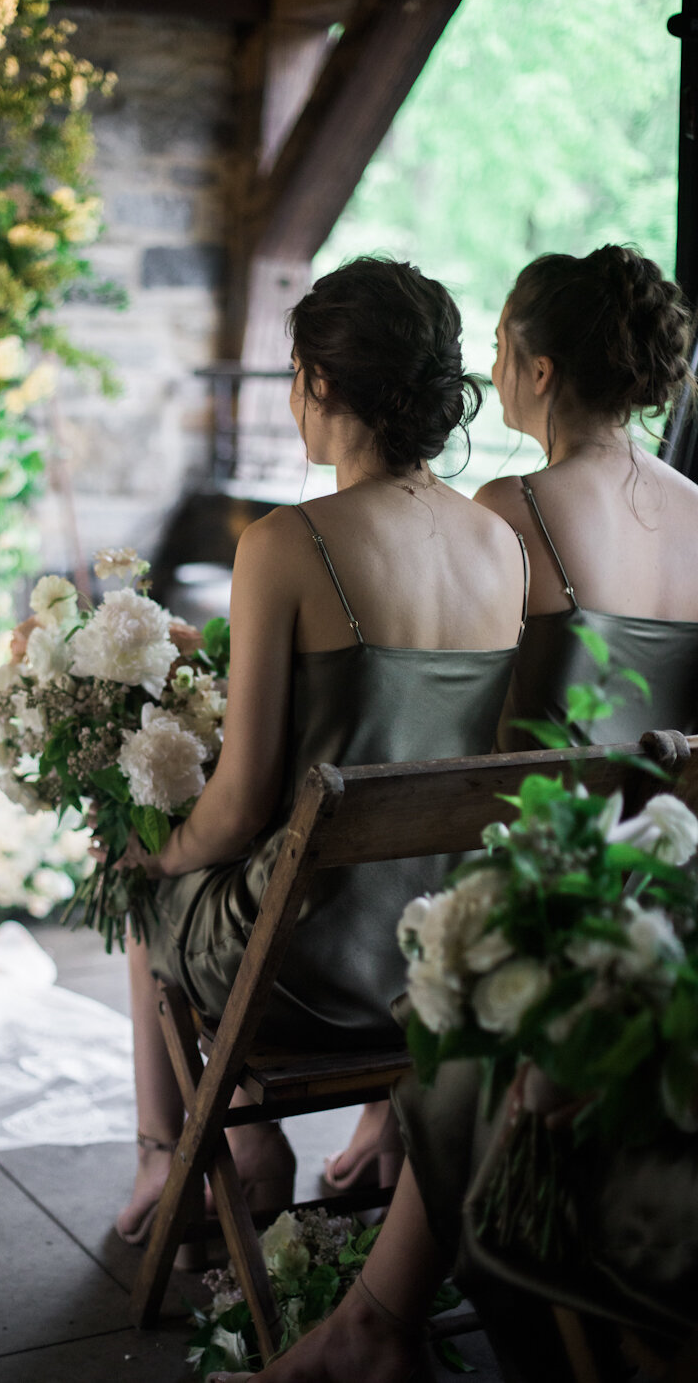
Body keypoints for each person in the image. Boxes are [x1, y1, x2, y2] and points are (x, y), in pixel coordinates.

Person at [218, 244, 698, 1381]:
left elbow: (483, 750)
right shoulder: (694, 512)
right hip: (657, 858)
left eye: (497, 349)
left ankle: (302, 1164)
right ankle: (393, 1136)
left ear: (532, 370)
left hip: (542, 861)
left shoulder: (508, 510)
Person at [114, 256, 529, 1245]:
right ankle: (251, 1149)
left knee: (134, 871)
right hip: (433, 965)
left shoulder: (286, 545)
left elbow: (245, 804)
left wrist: (159, 854)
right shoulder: (498, 544)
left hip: (296, 966)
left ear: (322, 383)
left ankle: (167, 1161)